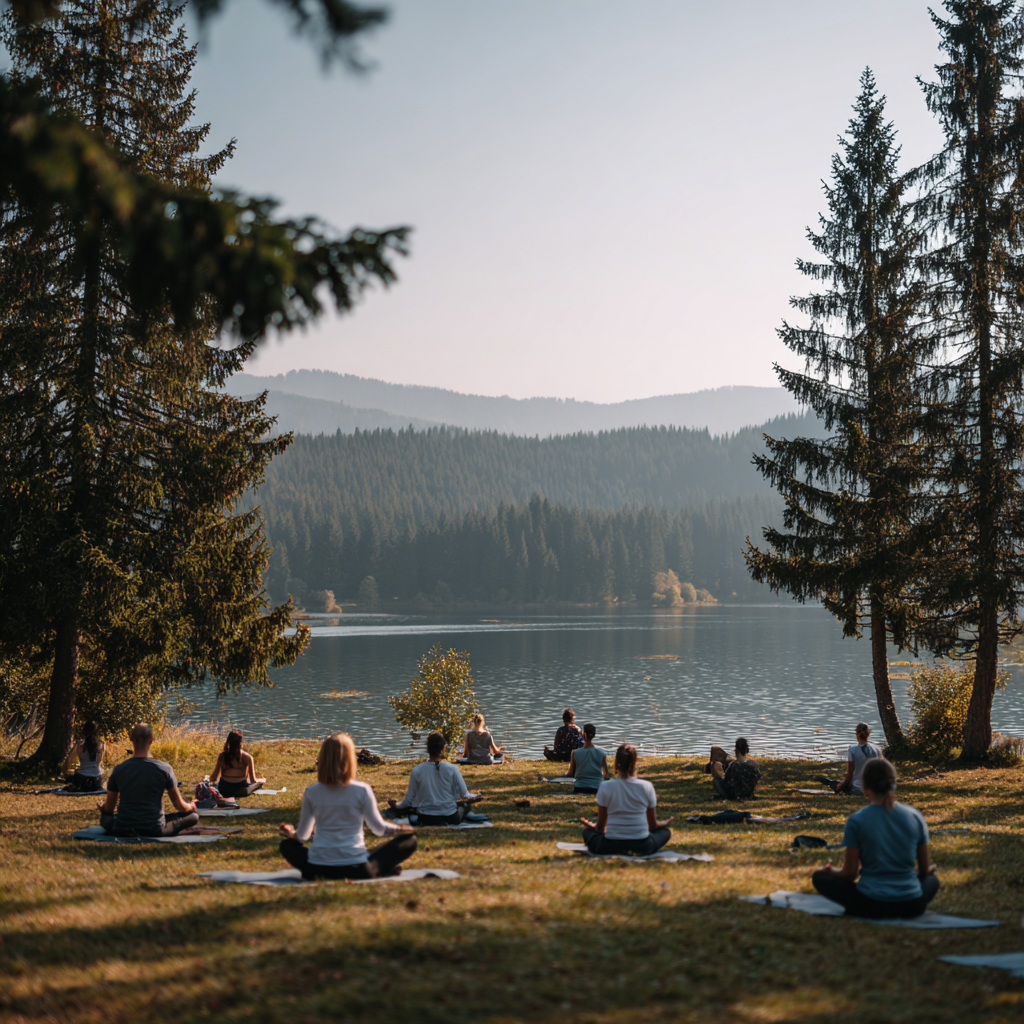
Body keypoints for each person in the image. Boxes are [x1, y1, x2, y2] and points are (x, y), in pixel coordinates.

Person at [811, 758, 939, 919]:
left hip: (871, 904)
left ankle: (862, 907)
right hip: (912, 905)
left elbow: (850, 874)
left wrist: (830, 871)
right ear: (893, 784)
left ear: (865, 787)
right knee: (932, 880)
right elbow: (924, 870)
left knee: (819, 877)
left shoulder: (856, 821)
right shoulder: (915, 816)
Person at [279, 732, 417, 881]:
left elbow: (302, 837)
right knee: (410, 841)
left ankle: (326, 868)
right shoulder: (362, 790)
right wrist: (405, 829)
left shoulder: (312, 792)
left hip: (317, 870)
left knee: (286, 846)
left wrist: (291, 835)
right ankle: (380, 869)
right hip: (357, 870)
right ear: (350, 759)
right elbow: (380, 829)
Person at [98, 723, 199, 837]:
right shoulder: (164, 768)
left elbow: (109, 809)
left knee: (105, 819)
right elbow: (179, 806)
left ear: (131, 740)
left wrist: (103, 808)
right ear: (152, 740)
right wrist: (191, 806)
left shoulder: (118, 769)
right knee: (193, 816)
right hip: (154, 829)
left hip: (123, 828)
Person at [579, 743, 673, 856]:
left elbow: (600, 828)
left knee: (587, 832)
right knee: (665, 833)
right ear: (635, 762)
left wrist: (591, 826)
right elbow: (653, 826)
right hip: (642, 846)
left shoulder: (605, 786)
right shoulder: (647, 786)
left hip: (609, 846)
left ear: (616, 764)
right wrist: (664, 824)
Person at [389, 731, 484, 825]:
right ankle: (444, 821)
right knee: (464, 806)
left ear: (427, 748)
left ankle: (436, 821)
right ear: (443, 748)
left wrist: (396, 806)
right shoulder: (452, 768)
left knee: (413, 809)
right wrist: (476, 796)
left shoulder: (417, 770)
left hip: (426, 817)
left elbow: (408, 800)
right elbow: (465, 794)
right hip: (450, 817)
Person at [817, 723, 883, 795]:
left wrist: (842, 785)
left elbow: (850, 775)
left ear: (856, 733)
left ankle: (826, 781)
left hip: (859, 789)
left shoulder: (852, 749)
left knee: (836, 784)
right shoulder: (877, 749)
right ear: (869, 733)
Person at [210, 730, 266, 798]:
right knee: (259, 783)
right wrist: (261, 781)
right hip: (241, 789)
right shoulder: (247, 757)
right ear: (241, 743)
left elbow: (213, 777)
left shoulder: (222, 756)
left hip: (223, 789)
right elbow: (253, 780)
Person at [62, 720, 105, 792]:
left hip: (82, 777)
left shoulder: (79, 744)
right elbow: (99, 762)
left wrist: (65, 774)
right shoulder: (101, 745)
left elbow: (68, 760)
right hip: (96, 779)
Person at [567, 723, 608, 794]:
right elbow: (605, 775)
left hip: (580, 787)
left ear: (583, 734)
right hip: (597, 787)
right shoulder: (602, 754)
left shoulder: (575, 753)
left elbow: (570, 774)